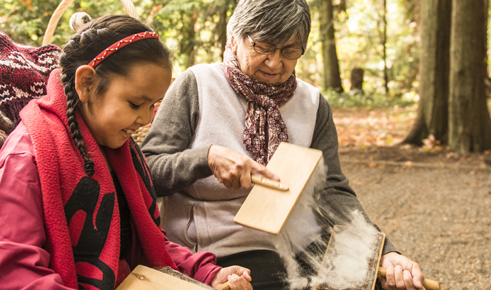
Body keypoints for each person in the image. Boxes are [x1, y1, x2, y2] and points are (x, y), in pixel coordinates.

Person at [141, 0, 428, 289]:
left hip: (301, 243)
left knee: (376, 281)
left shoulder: (313, 104)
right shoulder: (198, 85)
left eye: (289, 51)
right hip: (222, 248)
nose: (275, 63)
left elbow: (331, 189)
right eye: (262, 47)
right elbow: (146, 172)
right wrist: (206, 159)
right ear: (234, 38)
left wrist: (384, 250)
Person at [0, 14, 252, 290]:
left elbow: (148, 241)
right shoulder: (27, 159)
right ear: (87, 84)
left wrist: (206, 274)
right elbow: (11, 273)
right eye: (135, 103)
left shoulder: (122, 153)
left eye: (153, 105)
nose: (146, 118)